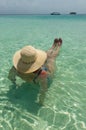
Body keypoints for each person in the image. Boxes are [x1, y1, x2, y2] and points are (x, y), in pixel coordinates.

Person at [8, 38, 62, 105]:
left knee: (48, 56)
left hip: (34, 76)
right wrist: (40, 102)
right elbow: (43, 90)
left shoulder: (15, 68)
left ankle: (53, 46)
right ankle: (58, 46)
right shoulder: (42, 74)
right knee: (51, 58)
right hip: (46, 72)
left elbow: (10, 77)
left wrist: (14, 84)